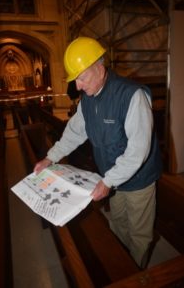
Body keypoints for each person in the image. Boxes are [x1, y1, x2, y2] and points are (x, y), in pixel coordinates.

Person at [34, 36, 162, 268]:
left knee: (139, 235)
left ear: (99, 68)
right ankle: (123, 267)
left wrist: (108, 182)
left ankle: (137, 275)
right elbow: (74, 133)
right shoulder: (88, 99)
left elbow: (137, 151)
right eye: (76, 80)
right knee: (118, 224)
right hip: (112, 179)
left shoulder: (132, 96)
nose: (78, 86)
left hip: (139, 182)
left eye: (81, 78)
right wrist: (50, 157)